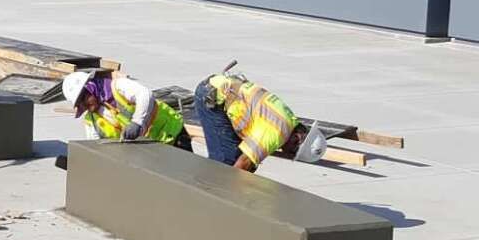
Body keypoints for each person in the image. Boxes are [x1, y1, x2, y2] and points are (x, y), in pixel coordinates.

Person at [192, 71, 320, 172]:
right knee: (226, 163)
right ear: (297, 138)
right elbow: (242, 163)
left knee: (248, 166)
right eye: (292, 153)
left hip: (220, 89)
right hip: (212, 97)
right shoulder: (276, 133)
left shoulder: (289, 120)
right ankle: (208, 195)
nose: (286, 154)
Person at [63, 68, 191, 150]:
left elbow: (145, 94)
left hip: (172, 134)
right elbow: (95, 146)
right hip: (150, 149)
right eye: (80, 105)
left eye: (84, 100)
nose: (85, 106)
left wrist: (137, 122)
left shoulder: (118, 86)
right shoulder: (91, 120)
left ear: (91, 89)